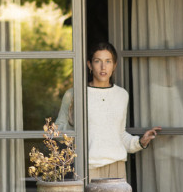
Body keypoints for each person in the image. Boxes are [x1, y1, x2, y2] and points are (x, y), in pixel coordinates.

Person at [56, 42, 162, 181]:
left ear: (114, 65)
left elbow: (120, 134)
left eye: (108, 61)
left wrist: (141, 142)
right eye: (97, 61)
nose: (103, 67)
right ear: (89, 65)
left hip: (117, 167)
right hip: (87, 166)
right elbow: (57, 132)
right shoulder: (74, 94)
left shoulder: (122, 95)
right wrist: (73, 126)